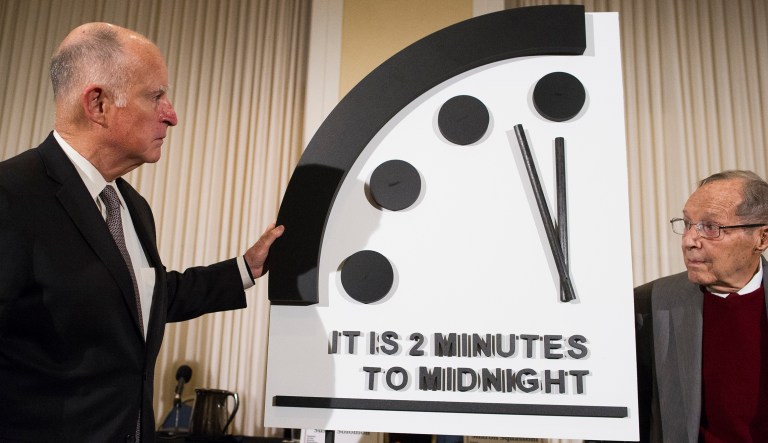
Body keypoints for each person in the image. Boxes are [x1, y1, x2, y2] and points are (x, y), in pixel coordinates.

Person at [0, 23, 284, 442]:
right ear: (97, 103)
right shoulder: (12, 194)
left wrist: (244, 267)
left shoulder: (132, 207)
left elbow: (142, 297)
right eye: (156, 96)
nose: (172, 115)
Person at [635, 170, 768, 442]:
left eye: (711, 227)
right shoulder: (646, 306)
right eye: (687, 224)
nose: (688, 241)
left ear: (762, 238)